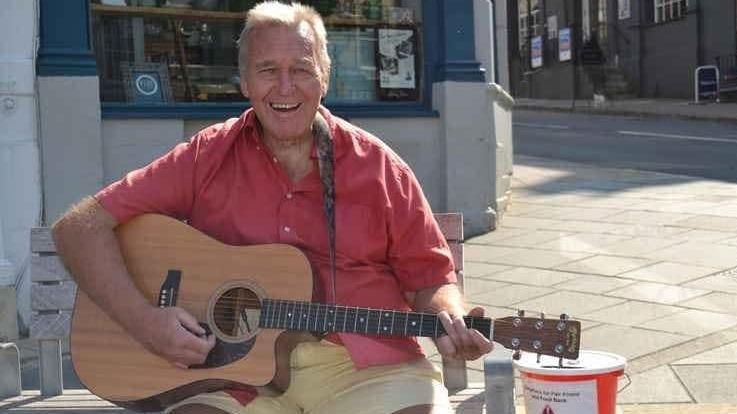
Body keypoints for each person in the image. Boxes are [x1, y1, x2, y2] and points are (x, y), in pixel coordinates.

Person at [51, 2, 492, 414]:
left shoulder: (378, 166)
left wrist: (450, 315)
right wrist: (146, 322)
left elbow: (431, 277)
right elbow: (78, 228)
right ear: (244, 82)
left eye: (301, 69)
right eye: (267, 71)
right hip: (232, 380)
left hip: (366, 371)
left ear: (325, 75)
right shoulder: (207, 155)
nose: (285, 88)